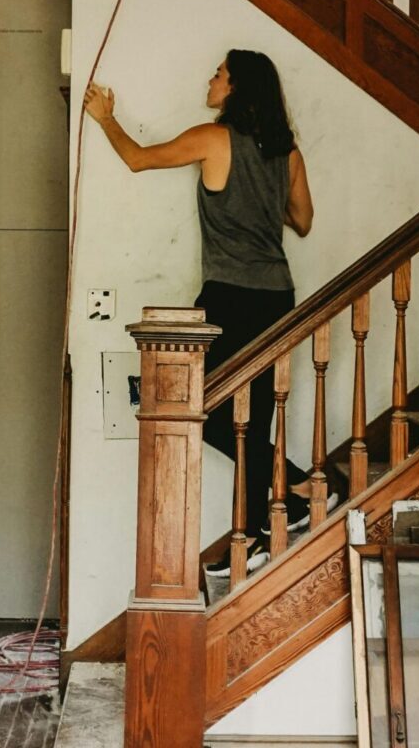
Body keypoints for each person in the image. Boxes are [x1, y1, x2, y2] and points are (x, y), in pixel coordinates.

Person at [84, 49, 332, 575]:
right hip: (277, 296)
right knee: (254, 417)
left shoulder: (213, 138)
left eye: (219, 74)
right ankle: (268, 531)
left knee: (201, 411)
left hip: (229, 295)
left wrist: (106, 118)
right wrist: (264, 201)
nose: (211, 79)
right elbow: (303, 221)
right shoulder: (286, 154)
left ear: (236, 88)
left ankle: (308, 486)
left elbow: (137, 158)